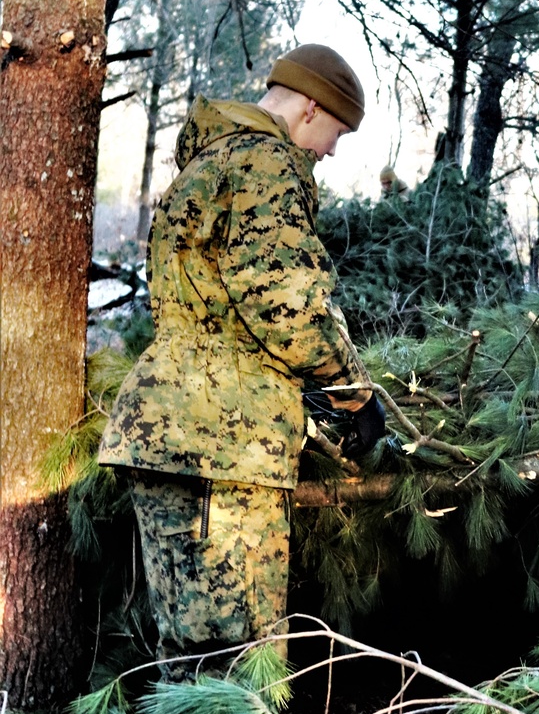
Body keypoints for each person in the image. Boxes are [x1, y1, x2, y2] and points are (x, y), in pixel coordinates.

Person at [99, 43, 385, 673]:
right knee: (239, 665)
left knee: (187, 657)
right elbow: (287, 306)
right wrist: (352, 392)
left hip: (167, 434)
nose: (331, 152)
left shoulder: (208, 164)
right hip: (222, 447)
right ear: (311, 108)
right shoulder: (266, 162)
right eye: (335, 133)